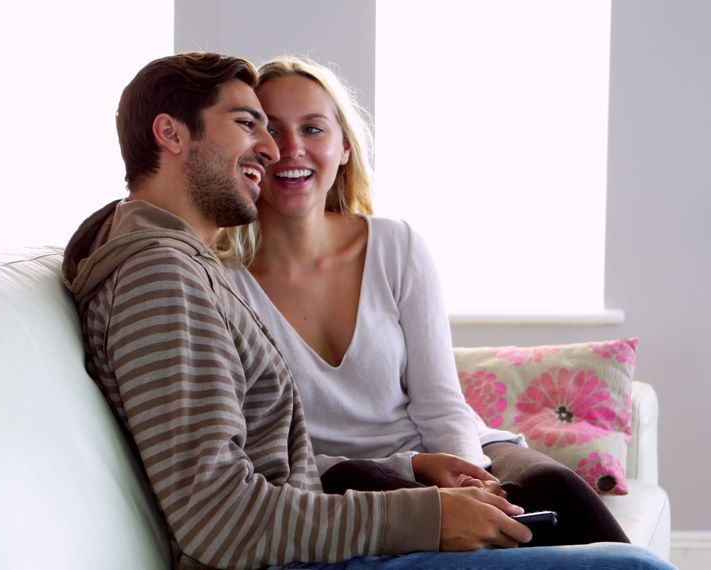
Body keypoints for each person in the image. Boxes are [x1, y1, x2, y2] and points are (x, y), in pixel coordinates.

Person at [63, 52, 672, 570]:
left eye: (306, 129)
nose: (273, 148)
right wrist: (426, 512)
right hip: (306, 548)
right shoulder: (163, 274)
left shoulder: (179, 265)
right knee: (631, 568)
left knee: (562, 500)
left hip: (314, 530)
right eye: (251, 123)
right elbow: (217, 518)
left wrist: (439, 478)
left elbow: (248, 476)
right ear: (171, 135)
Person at [216, 55, 632, 548]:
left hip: (452, 450)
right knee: (389, 490)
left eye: (312, 129)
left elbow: (440, 402)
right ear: (247, 148)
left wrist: (474, 477)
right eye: (271, 130)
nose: (291, 149)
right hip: (341, 479)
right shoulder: (221, 280)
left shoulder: (396, 246)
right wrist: (412, 470)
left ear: (344, 147)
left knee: (552, 487)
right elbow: (268, 451)